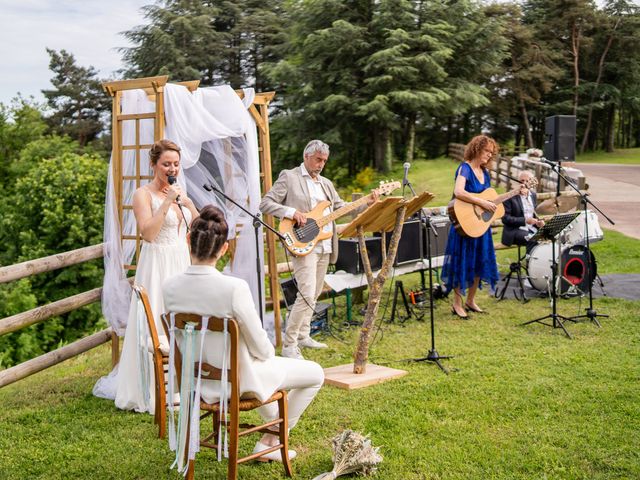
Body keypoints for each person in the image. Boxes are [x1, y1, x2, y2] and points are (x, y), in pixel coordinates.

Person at [163, 205, 324, 461]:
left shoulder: (168, 287)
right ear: (224, 248)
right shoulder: (234, 287)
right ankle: (273, 438)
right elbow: (262, 348)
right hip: (238, 383)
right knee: (314, 373)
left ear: (187, 241)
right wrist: (265, 355)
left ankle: (269, 439)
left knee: (268, 372)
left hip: (195, 383)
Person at [259, 140, 377, 359]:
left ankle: (303, 334)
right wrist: (291, 212)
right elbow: (265, 203)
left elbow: (341, 208)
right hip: (302, 243)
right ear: (307, 156)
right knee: (305, 293)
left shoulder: (326, 184)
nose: (321, 164)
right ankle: (289, 344)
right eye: (318, 159)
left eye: (324, 161)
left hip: (324, 244)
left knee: (313, 293)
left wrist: (367, 202)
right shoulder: (289, 176)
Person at [115, 139, 199, 413]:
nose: (171, 168)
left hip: (180, 261)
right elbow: (148, 234)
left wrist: (186, 201)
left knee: (181, 321)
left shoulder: (179, 192)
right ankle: (149, 389)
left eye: (175, 163)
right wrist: (167, 204)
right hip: (157, 263)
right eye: (166, 164)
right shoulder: (143, 194)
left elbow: (196, 226)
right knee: (155, 324)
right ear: (154, 165)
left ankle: (179, 386)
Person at [441, 135, 501, 319]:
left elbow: (489, 198)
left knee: (479, 262)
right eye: (486, 151)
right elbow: (459, 192)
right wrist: (480, 201)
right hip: (463, 225)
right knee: (462, 262)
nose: (489, 156)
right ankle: (457, 304)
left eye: (491, 153)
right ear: (476, 149)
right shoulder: (465, 168)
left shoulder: (486, 173)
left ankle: (471, 300)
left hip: (480, 226)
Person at [501, 170, 545, 253]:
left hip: (531, 228)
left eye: (527, 181)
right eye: (522, 180)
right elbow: (505, 219)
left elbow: (533, 214)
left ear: (531, 183)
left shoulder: (533, 195)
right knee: (532, 239)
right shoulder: (509, 196)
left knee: (547, 236)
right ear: (518, 182)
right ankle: (530, 263)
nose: (524, 183)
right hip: (514, 231)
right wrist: (525, 220)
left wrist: (538, 223)